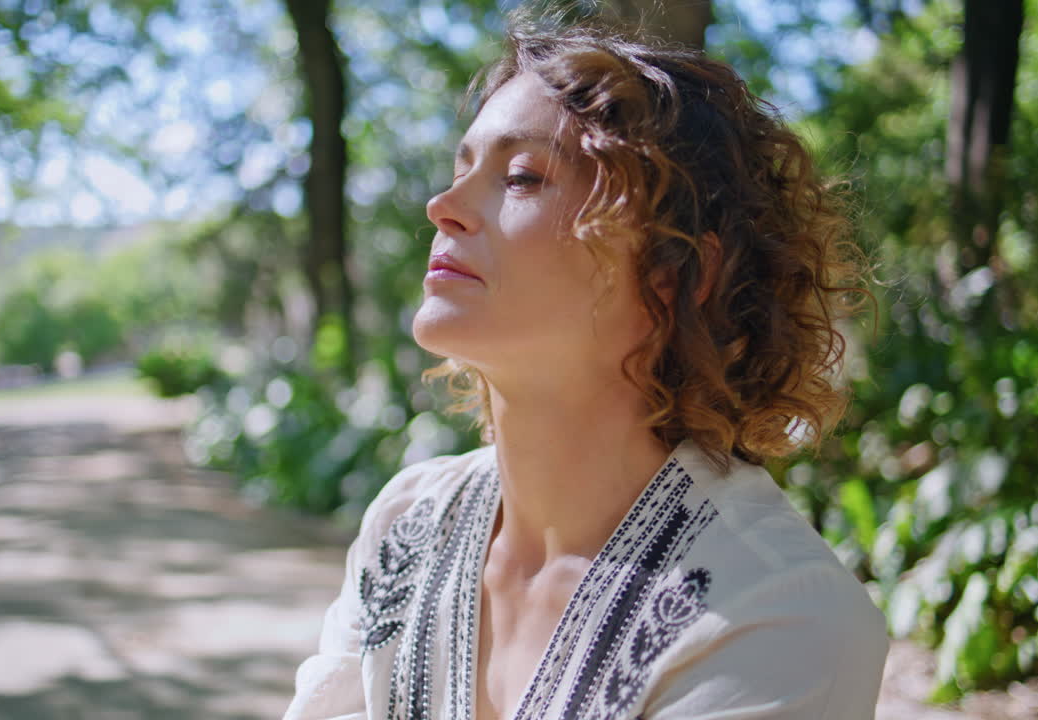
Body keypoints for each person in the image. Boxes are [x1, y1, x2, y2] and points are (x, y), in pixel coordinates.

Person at [284, 16, 886, 720]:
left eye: (521, 176)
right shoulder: (407, 523)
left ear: (676, 271)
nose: (443, 208)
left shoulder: (776, 617)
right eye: (460, 168)